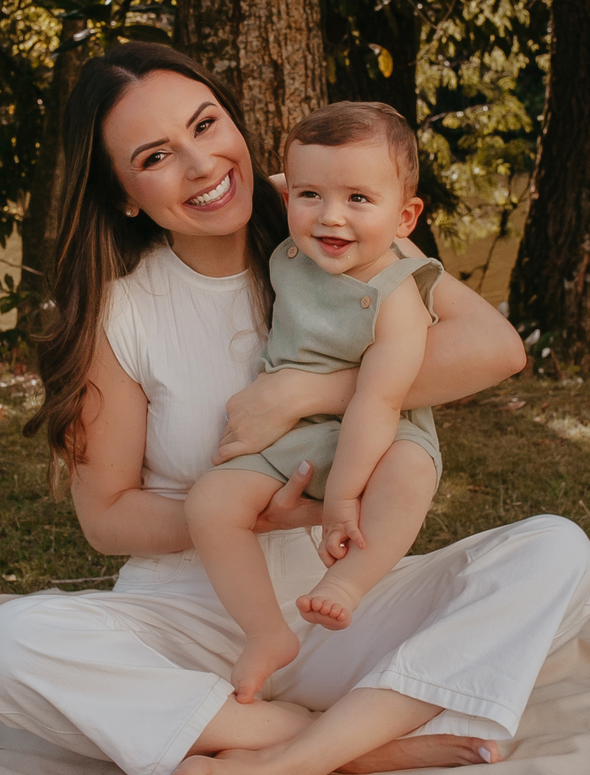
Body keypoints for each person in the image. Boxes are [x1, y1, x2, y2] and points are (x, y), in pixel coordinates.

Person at [0, 43, 590, 775]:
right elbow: (107, 515)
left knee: (558, 555)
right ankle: (346, 739)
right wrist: (261, 514)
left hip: (347, 594)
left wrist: (308, 390)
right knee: (10, 646)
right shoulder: (123, 310)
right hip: (198, 621)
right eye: (158, 156)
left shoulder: (324, 215)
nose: (202, 165)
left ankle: (282, 756)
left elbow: (495, 348)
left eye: (207, 124)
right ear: (126, 193)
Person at [186, 101, 444, 705]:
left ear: (405, 217)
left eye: (359, 199)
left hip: (379, 436)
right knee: (210, 503)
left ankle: (350, 582)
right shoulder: (298, 234)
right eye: (310, 196)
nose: (331, 217)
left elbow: (378, 403)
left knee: (409, 475)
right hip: (289, 433)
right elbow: (276, 182)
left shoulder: (398, 296)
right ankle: (266, 632)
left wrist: (344, 500)